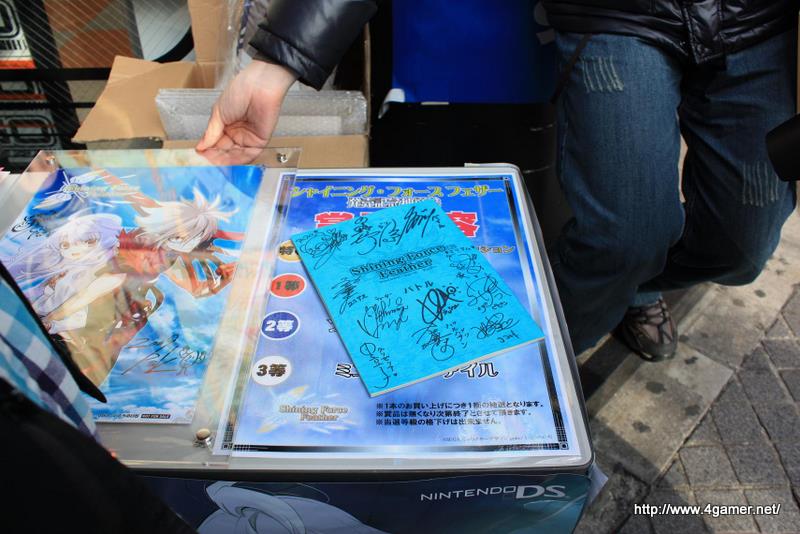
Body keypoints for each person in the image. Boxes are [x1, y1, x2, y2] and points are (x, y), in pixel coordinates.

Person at [198, 0, 798, 361]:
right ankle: (531, 368)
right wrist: (276, 64)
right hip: (619, 16)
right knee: (627, 235)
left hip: (761, 22)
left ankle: (626, 286)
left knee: (741, 250)